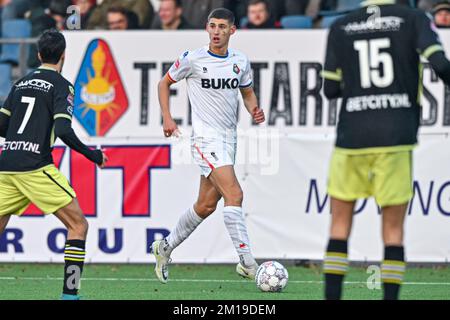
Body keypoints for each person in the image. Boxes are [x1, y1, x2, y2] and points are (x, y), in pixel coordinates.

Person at [322, 0, 450, 300]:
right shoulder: (414, 19)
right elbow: (441, 65)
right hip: (395, 136)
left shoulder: (340, 25)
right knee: (392, 231)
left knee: (339, 225)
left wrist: (358, 88)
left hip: (351, 136)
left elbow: (329, 89)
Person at [152, 7, 265, 283]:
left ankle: (164, 247)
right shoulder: (193, 58)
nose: (216, 32)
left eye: (222, 27)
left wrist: (254, 109)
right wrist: (168, 117)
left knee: (205, 205)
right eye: (212, 26)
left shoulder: (240, 61)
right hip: (205, 138)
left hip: (229, 138)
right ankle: (247, 263)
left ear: (232, 31)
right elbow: (163, 83)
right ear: (207, 28)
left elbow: (247, 92)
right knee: (235, 194)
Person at [0, 29, 108, 300]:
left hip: (6, 164)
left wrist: (21, 135)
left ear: (38, 55)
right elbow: (62, 129)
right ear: (63, 55)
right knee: (78, 226)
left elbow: (2, 126)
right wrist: (92, 154)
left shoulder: (20, 82)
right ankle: (70, 296)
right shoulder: (62, 85)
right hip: (35, 166)